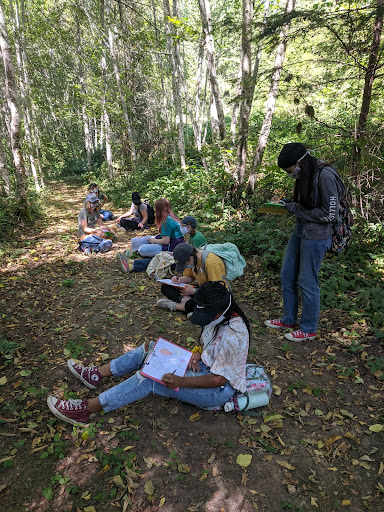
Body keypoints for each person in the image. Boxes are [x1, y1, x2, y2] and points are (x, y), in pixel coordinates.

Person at [46, 281, 250, 425]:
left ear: (219, 311)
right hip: (205, 366)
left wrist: (181, 381)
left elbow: (219, 380)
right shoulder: (219, 318)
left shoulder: (234, 334)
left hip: (216, 391)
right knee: (152, 348)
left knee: (151, 378)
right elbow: (213, 347)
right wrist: (198, 353)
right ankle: (97, 374)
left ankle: (86, 409)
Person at [264, 142, 346, 341]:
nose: (290, 175)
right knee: (287, 275)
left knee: (307, 282)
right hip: (301, 229)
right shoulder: (305, 174)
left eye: (290, 170)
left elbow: (330, 214)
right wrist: (288, 204)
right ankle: (289, 319)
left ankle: (308, 329)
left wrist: (296, 209)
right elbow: (306, 204)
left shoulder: (325, 176)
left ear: (300, 162)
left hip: (318, 235)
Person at [156, 242, 227, 314]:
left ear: (191, 258)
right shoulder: (192, 260)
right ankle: (190, 304)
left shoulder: (211, 263)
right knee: (166, 287)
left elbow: (217, 289)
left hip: (214, 293)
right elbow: (190, 277)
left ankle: (178, 306)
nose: (186, 266)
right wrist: (180, 280)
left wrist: (195, 291)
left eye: (185, 264)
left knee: (210, 304)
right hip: (203, 289)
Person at [116, 198, 184, 273]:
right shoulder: (171, 217)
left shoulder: (167, 221)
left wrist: (154, 241)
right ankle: (131, 258)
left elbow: (166, 241)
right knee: (144, 240)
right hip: (174, 245)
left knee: (143, 249)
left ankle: (132, 263)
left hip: (171, 246)